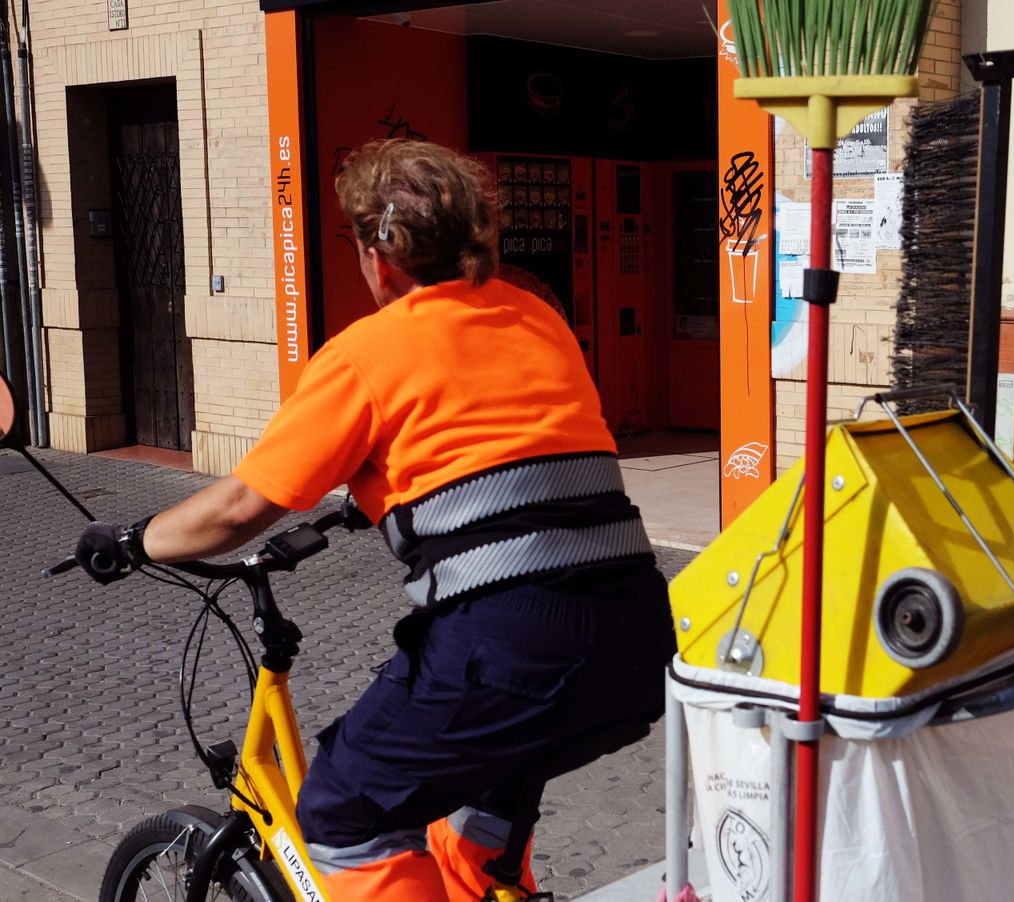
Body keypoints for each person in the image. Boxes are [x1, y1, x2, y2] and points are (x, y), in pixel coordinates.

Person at [75, 139, 675, 901]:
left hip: (509, 642)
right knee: (482, 807)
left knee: (344, 811)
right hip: (637, 639)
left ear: (378, 259)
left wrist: (130, 541)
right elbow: (500, 451)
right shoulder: (537, 318)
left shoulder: (366, 353)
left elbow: (238, 509)